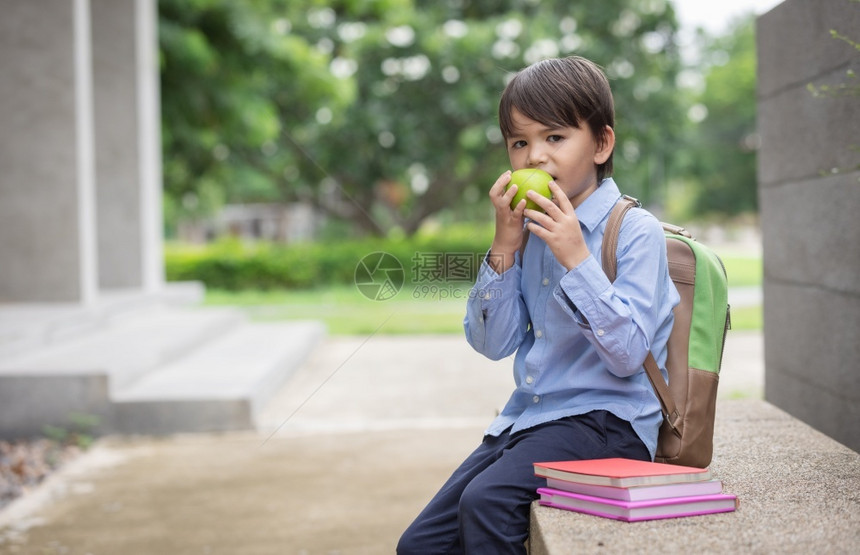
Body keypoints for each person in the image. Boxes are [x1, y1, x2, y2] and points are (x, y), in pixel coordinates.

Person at [397, 56, 680, 554]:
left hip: (609, 422)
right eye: (519, 143)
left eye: (554, 138)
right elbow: (492, 344)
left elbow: (629, 355)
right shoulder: (526, 235)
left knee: (485, 503)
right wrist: (503, 247)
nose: (534, 157)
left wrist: (576, 259)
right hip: (530, 417)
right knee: (420, 544)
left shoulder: (635, 231)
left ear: (601, 143)